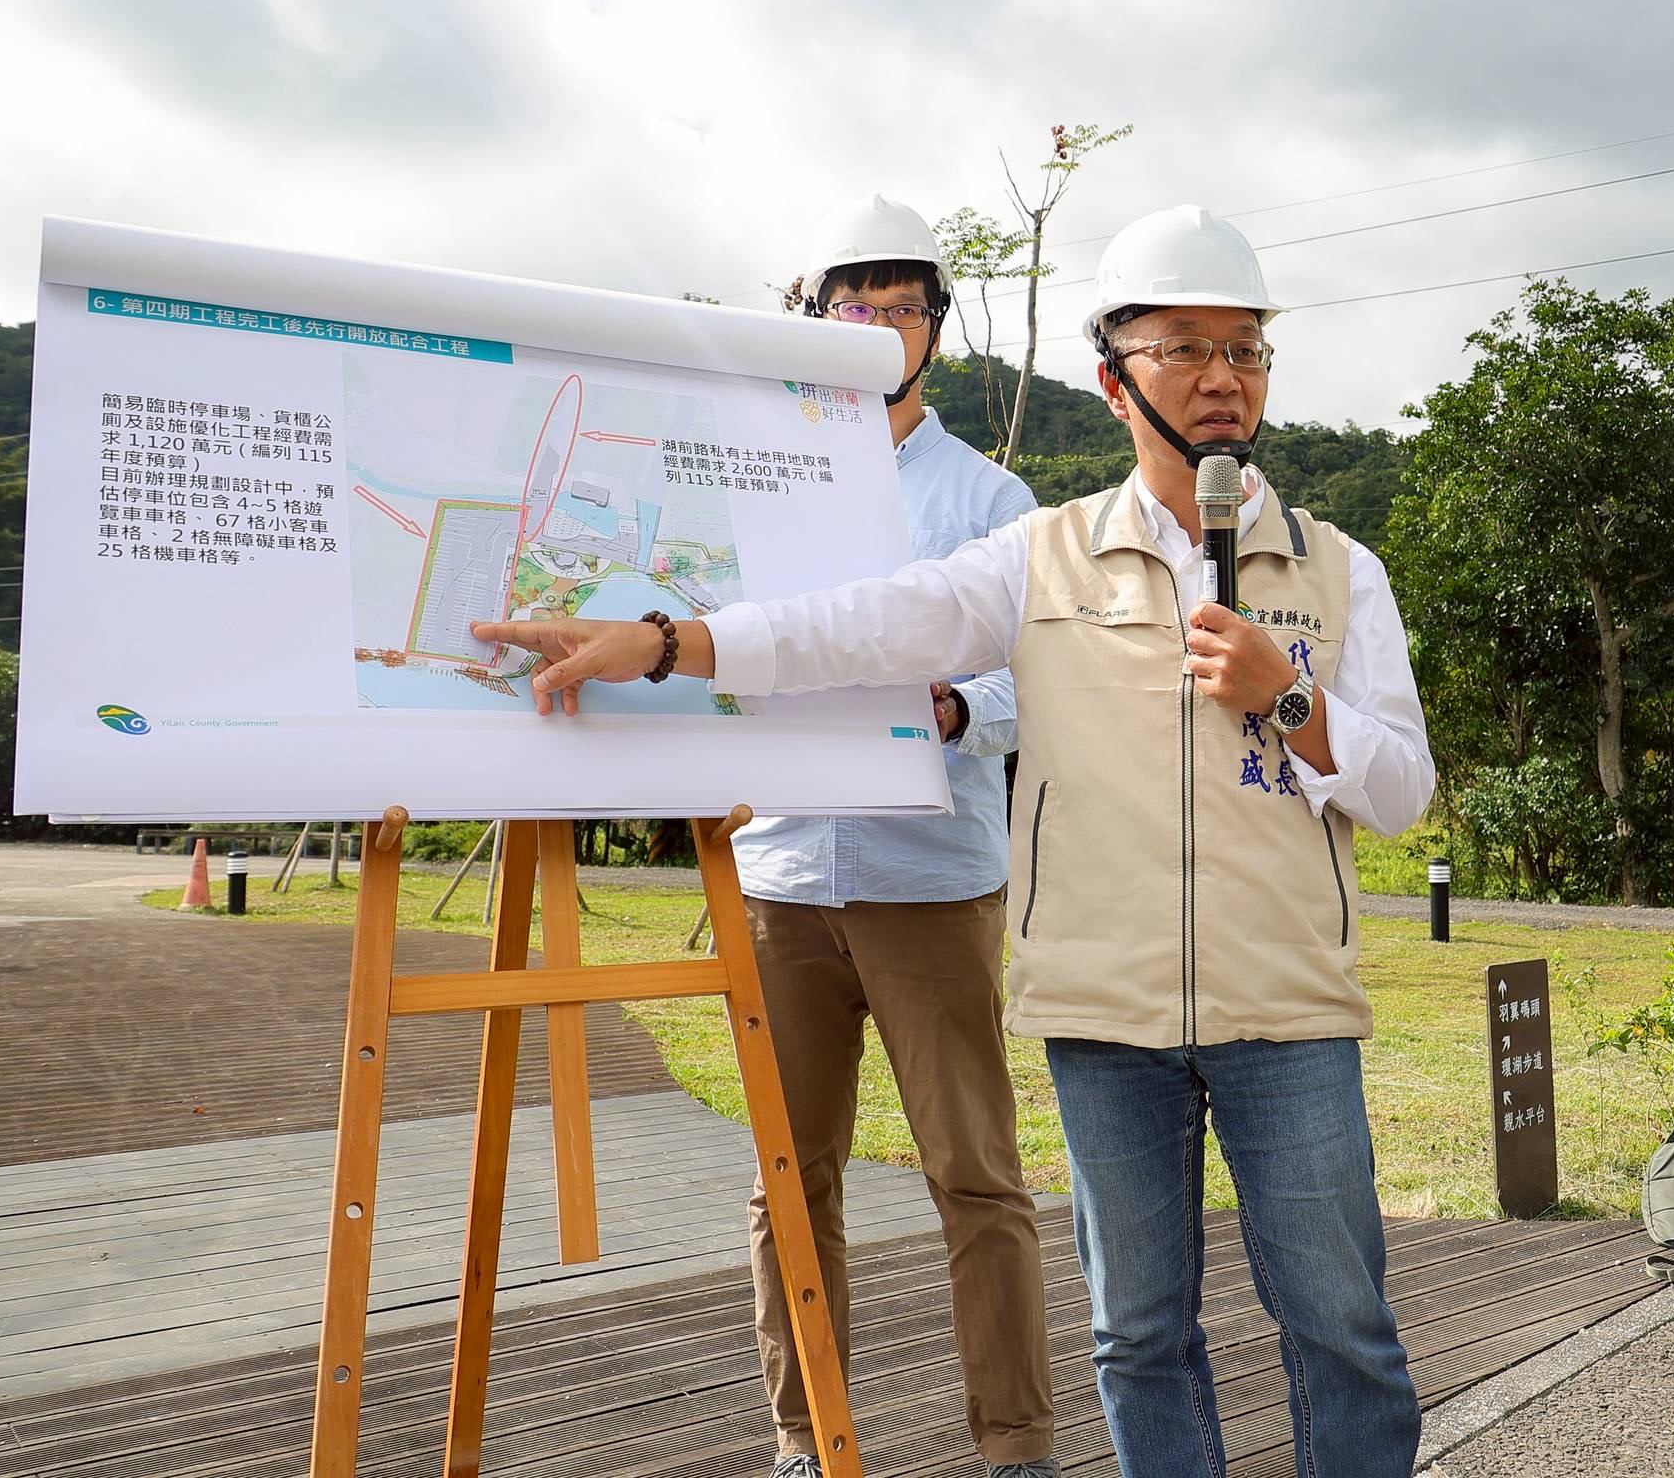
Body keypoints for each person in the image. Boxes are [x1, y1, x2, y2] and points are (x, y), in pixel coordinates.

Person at [472, 205, 1434, 1478]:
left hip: (1291, 1011)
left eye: (1246, 349)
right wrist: (665, 644)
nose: (1220, 378)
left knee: (1343, 1332)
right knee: (1139, 1337)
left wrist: (1291, 699)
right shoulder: (1037, 556)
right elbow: (864, 625)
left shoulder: (1339, 568)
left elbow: (1405, 789)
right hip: (1107, 1015)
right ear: (1113, 378)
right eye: (1184, 348)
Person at [722, 196, 1053, 1478]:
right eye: (847, 308)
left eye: (899, 307)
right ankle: (808, 1442)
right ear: (813, 322)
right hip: (783, 872)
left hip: (932, 877)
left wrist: (964, 701)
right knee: (787, 1185)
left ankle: (1015, 1444)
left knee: (974, 1174)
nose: (872, 328)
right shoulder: (754, 479)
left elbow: (1044, 671)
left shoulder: (989, 494)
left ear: (934, 331)